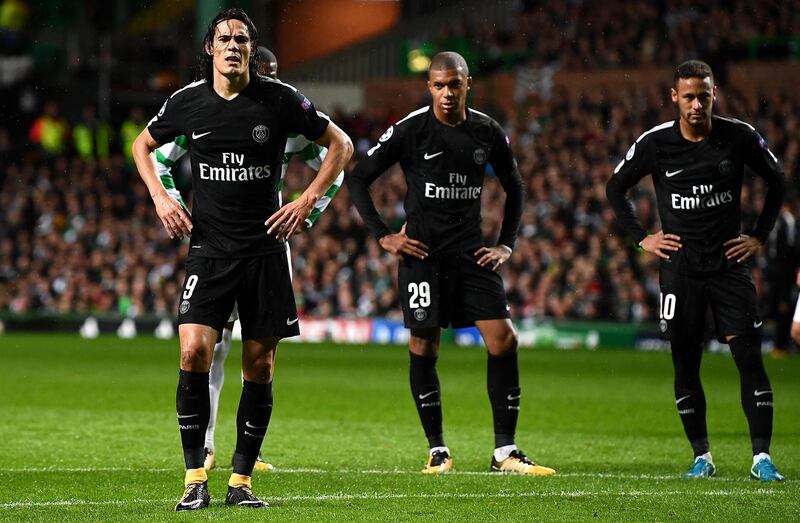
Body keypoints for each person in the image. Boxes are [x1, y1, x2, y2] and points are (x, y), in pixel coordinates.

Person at [132, 8, 353, 510]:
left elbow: (340, 146)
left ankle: (240, 483)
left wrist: (304, 201)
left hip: (264, 254)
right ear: (210, 49)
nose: (233, 46)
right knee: (192, 353)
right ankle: (194, 479)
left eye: (242, 39)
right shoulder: (187, 103)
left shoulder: (280, 101)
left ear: (252, 49)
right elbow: (142, 146)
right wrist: (163, 199)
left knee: (261, 365)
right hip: (209, 251)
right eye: (224, 39)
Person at [347, 51, 555, 476]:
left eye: (454, 84)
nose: (446, 92)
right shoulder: (410, 130)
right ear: (429, 87)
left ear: (467, 84)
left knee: (505, 340)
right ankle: (438, 449)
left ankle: (505, 452)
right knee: (424, 346)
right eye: (438, 85)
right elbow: (357, 177)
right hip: (421, 256)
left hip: (471, 254)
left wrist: (507, 245)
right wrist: (383, 235)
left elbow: (515, 187)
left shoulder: (487, 131)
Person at [606, 60, 785, 481]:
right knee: (685, 364)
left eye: (703, 96)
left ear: (714, 94)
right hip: (680, 271)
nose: (696, 104)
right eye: (688, 96)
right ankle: (702, 456)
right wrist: (642, 237)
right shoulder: (655, 143)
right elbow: (616, 187)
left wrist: (758, 234)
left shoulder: (738, 136)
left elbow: (777, 180)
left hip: (729, 266)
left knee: (748, 358)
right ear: (674, 97)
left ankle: (761, 457)